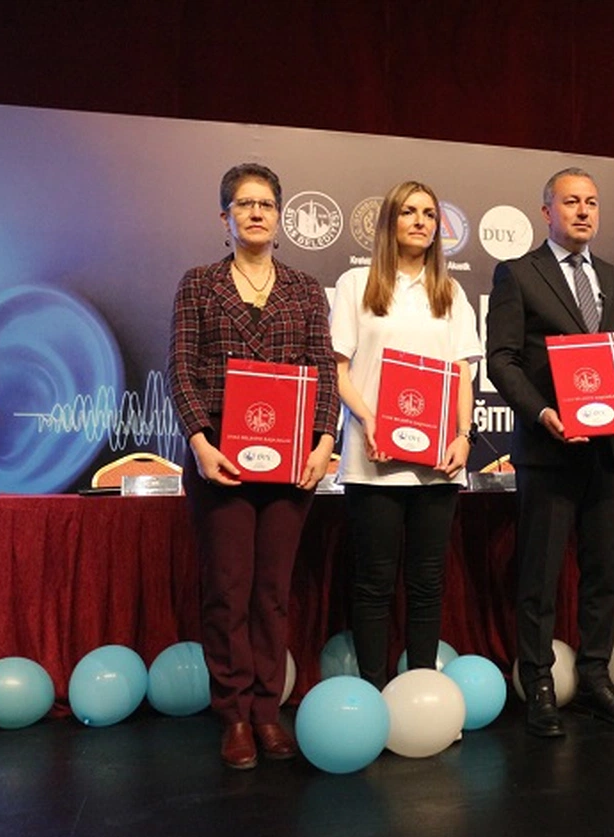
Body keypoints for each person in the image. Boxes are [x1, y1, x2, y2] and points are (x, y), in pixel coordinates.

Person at [168, 163, 339, 769]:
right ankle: (235, 715)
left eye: (266, 204)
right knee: (228, 590)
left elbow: (324, 372)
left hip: (292, 461)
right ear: (226, 217)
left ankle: (268, 711)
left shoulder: (306, 289)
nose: (257, 212)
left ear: (280, 216)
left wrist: (323, 442)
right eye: (244, 204)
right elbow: (181, 369)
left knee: (271, 593)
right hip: (222, 458)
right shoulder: (199, 284)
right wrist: (200, 443)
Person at [486, 167, 614, 737]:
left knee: (603, 573)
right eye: (571, 202)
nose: (583, 211)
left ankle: (596, 679)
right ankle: (538, 683)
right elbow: (502, 359)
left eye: (592, 203)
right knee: (540, 574)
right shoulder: (517, 274)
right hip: (550, 449)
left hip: (610, 450)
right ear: (546, 212)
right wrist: (542, 413)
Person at [329, 180, 482, 688]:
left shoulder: (450, 292)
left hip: (438, 463)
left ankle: (420, 689)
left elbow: (462, 372)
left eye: (430, 214)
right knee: (373, 583)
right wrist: (369, 418)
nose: (420, 221)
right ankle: (373, 694)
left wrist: (464, 436)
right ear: (389, 221)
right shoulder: (357, 283)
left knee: (427, 584)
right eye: (409, 212)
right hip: (372, 459)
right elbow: (338, 371)